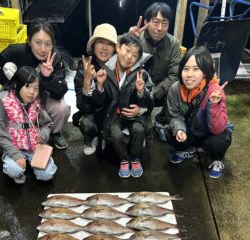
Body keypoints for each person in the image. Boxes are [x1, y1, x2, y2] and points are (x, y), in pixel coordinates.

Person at [0, 18, 70, 150]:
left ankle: (54, 133)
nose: (43, 49)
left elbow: (61, 91)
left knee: (62, 108)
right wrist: (9, 78)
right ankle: (11, 136)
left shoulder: (56, 59)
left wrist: (48, 77)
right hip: (17, 97)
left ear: (53, 44)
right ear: (29, 41)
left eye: (48, 44)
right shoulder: (15, 51)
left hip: (41, 95)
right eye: (38, 42)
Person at [91, 35, 154, 178]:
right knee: (115, 134)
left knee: (139, 130)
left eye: (135, 55)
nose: (129, 56)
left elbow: (151, 101)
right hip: (114, 115)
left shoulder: (142, 74)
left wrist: (141, 92)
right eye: (127, 50)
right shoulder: (105, 71)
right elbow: (99, 102)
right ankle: (124, 158)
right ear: (118, 48)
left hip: (134, 115)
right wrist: (99, 85)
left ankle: (135, 157)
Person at [166, 46, 233, 179]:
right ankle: (187, 150)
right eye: (186, 68)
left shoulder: (215, 91)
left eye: (196, 69)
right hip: (192, 130)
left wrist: (213, 104)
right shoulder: (175, 89)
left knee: (219, 139)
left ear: (205, 72)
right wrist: (179, 129)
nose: (189, 74)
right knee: (169, 132)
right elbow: (174, 115)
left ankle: (216, 159)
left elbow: (218, 128)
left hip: (211, 133)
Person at [0, 66, 57, 184]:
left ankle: (32, 166)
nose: (32, 92)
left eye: (36, 88)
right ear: (16, 84)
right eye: (27, 86)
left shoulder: (37, 102)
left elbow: (48, 123)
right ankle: (18, 170)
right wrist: (16, 155)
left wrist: (43, 135)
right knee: (13, 170)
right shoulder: (2, 101)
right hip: (13, 146)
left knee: (47, 175)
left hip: (35, 147)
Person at [129, 2, 182, 141]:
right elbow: (116, 53)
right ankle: (140, 119)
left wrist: (154, 92)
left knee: (178, 87)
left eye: (164, 23)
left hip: (160, 91)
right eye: (155, 22)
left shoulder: (174, 44)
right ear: (146, 22)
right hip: (138, 89)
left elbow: (175, 74)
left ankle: (161, 120)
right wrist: (129, 38)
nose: (159, 28)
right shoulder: (136, 38)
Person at [73, 23, 117, 155]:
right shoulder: (84, 68)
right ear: (93, 46)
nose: (104, 47)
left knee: (117, 141)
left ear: (115, 48)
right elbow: (83, 107)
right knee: (86, 123)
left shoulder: (118, 66)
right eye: (100, 42)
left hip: (113, 112)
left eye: (109, 44)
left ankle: (106, 136)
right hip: (92, 112)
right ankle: (90, 138)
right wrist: (87, 82)